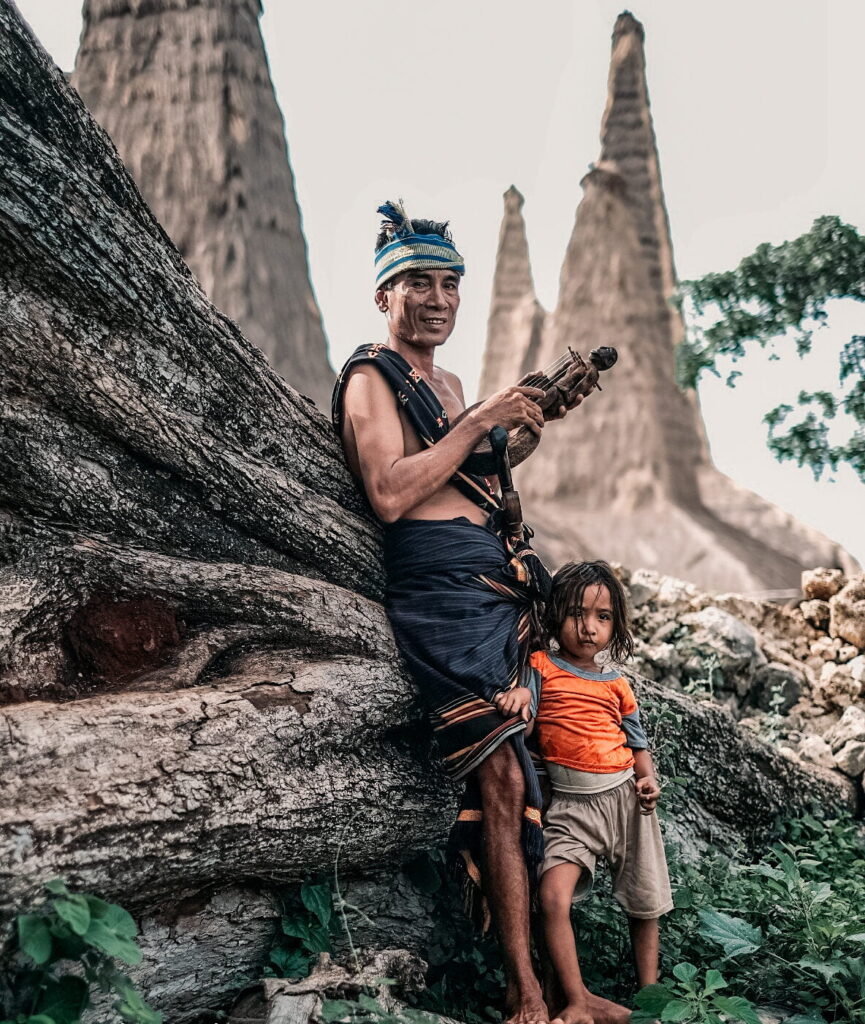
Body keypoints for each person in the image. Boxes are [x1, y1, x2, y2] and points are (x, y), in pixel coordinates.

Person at [332, 200, 584, 1024]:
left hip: (493, 583)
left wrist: (525, 423)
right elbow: (393, 492)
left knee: (529, 771)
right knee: (502, 772)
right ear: (383, 296)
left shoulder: (444, 383)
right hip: (438, 591)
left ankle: (567, 988)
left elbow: (466, 469)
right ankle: (522, 991)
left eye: (448, 282)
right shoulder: (373, 376)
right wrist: (480, 417)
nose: (436, 298)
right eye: (416, 283)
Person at [496, 561, 673, 1024]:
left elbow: (636, 741)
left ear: (616, 625)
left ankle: (650, 1000)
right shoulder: (538, 665)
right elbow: (529, 721)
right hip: (571, 807)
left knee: (645, 900)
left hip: (627, 801)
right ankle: (576, 1001)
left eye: (603, 617)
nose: (589, 627)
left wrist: (647, 779)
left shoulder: (617, 683)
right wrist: (519, 699)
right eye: (577, 613)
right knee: (552, 898)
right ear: (556, 615)